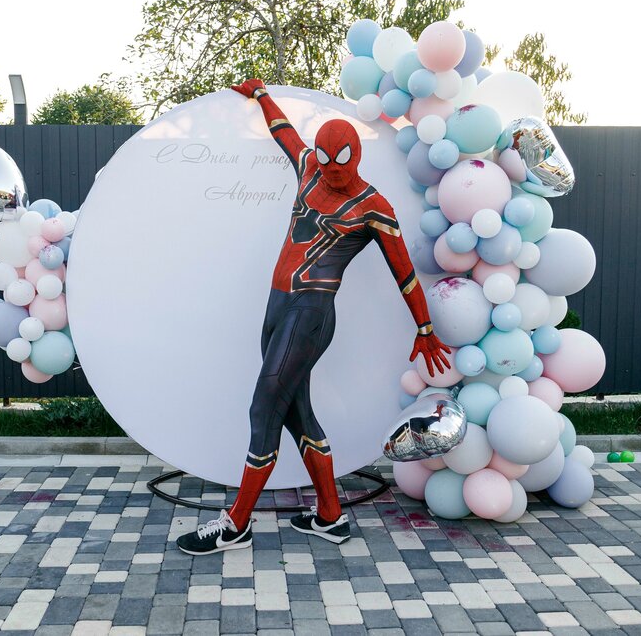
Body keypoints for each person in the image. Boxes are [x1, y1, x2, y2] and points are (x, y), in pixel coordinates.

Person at [176, 79, 451, 555]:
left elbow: (404, 273)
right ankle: (329, 515)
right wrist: (261, 96)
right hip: (278, 306)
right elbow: (284, 132)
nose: (332, 171)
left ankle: (236, 524)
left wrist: (425, 327)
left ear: (356, 157)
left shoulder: (374, 207)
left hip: (310, 313)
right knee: (296, 412)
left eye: (340, 162)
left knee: (264, 408)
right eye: (325, 161)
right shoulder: (309, 167)